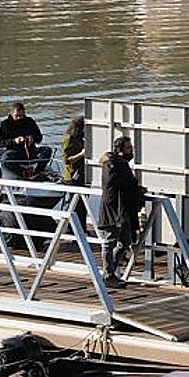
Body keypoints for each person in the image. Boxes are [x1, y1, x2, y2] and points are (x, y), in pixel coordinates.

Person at [97, 136, 145, 289]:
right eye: (128, 148)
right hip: (114, 208)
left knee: (125, 242)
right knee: (110, 241)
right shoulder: (114, 164)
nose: (131, 151)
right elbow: (122, 185)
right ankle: (108, 275)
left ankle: (110, 270)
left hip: (122, 209)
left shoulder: (118, 163)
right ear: (119, 150)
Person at [0, 102, 52, 178]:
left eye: (21, 115)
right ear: (11, 114)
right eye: (17, 116)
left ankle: (38, 171)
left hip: (31, 151)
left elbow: (39, 138)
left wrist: (33, 138)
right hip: (15, 153)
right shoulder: (5, 124)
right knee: (5, 160)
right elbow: (0, 142)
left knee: (47, 150)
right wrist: (15, 141)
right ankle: (23, 172)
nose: (19, 118)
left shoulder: (29, 121)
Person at [60, 116, 88, 231]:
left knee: (83, 205)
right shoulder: (69, 139)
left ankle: (82, 228)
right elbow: (66, 160)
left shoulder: (82, 138)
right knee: (75, 205)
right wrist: (81, 154)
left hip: (82, 174)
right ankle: (73, 229)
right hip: (72, 176)